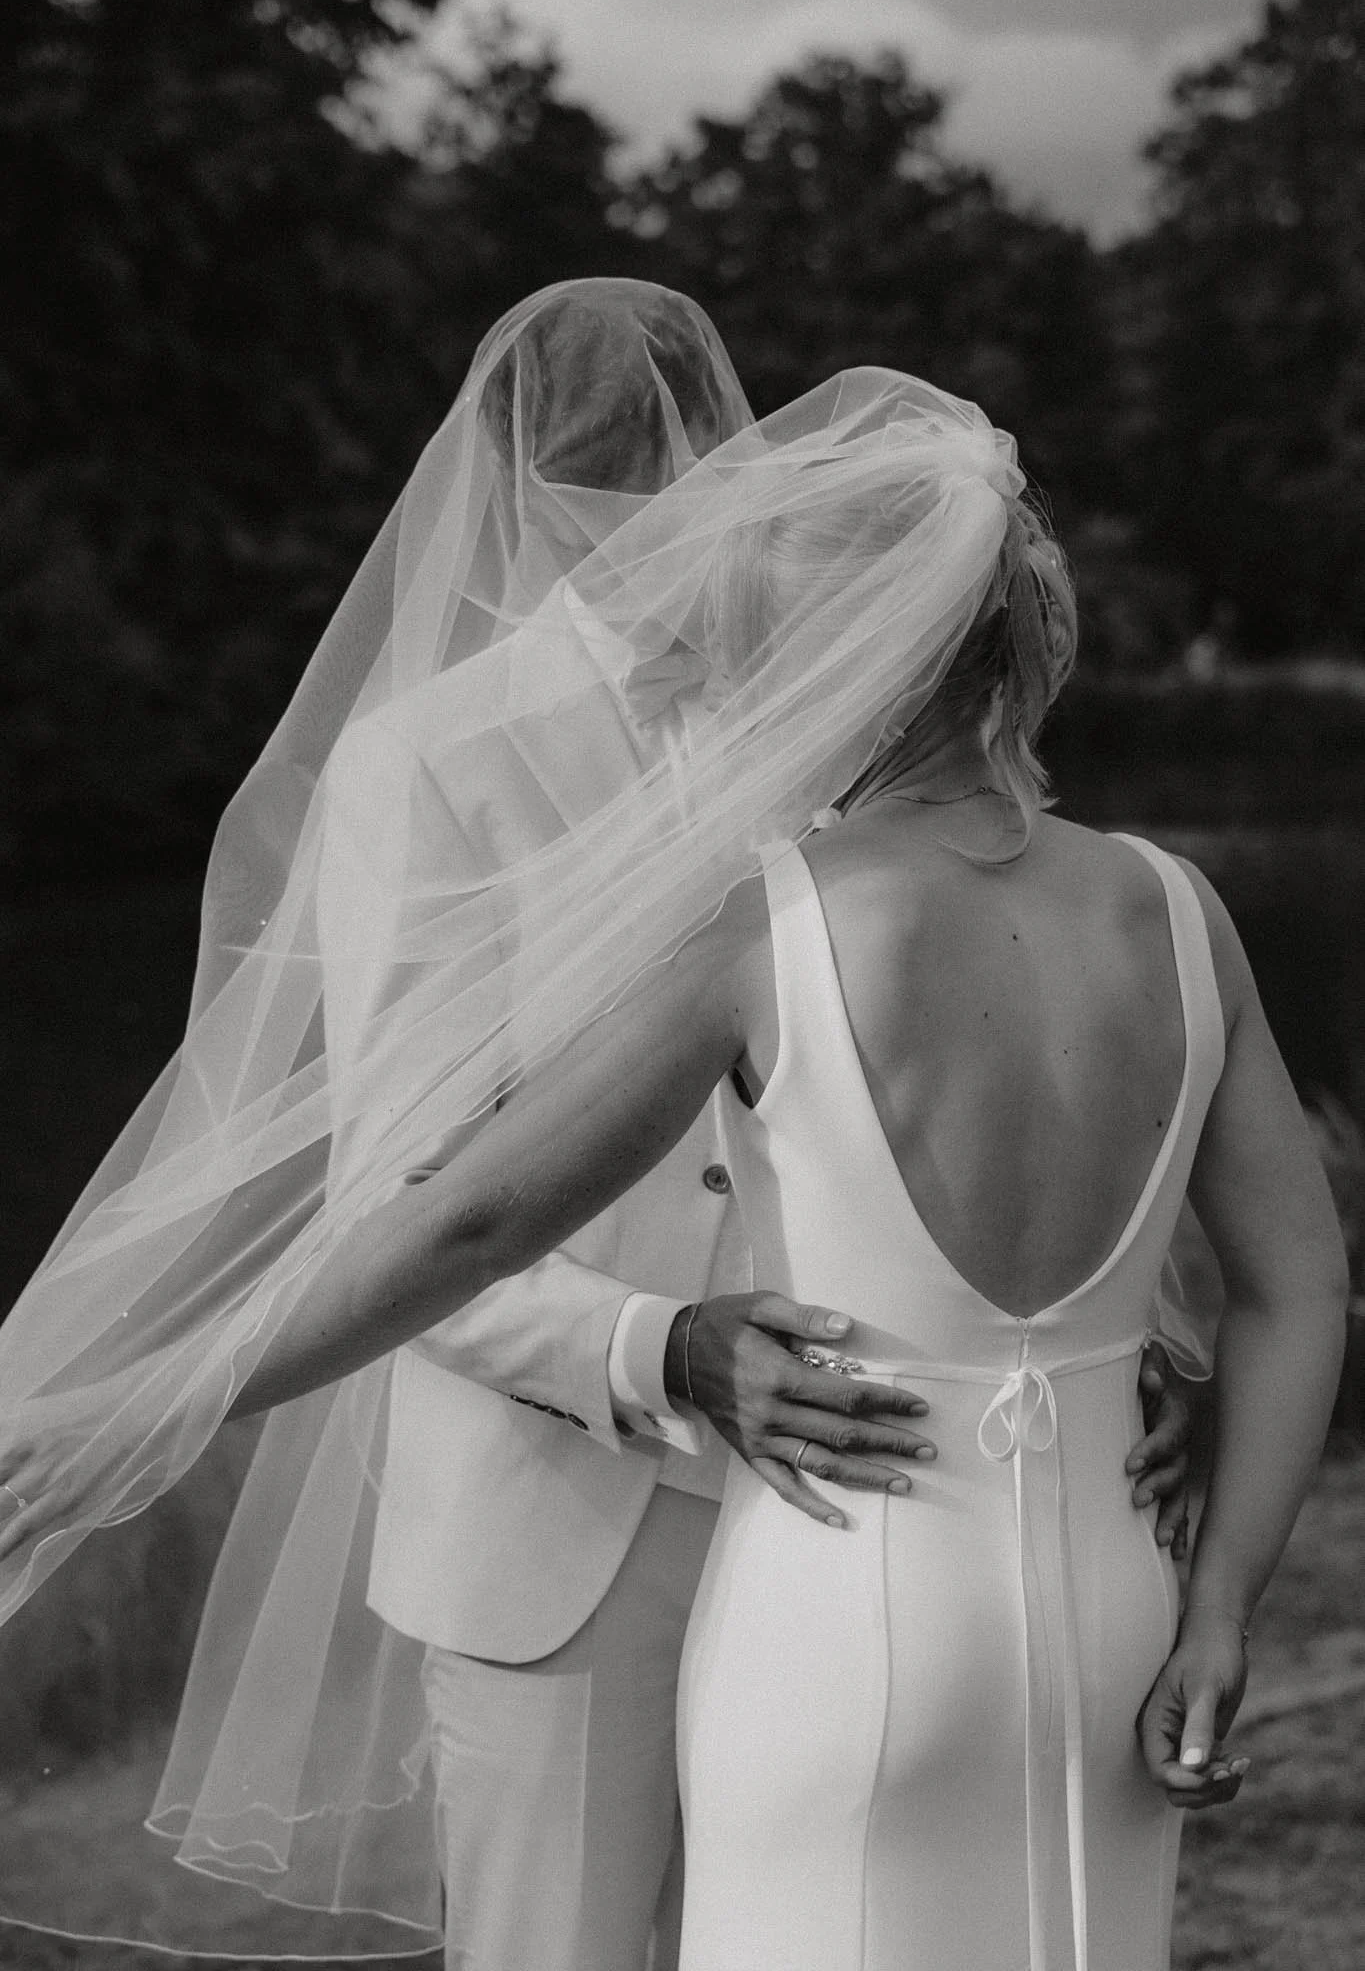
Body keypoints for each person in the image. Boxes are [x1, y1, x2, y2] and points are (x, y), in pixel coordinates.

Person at [1, 315, 1197, 1969]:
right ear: (504, 486)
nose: (655, 505)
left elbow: (984, 1037)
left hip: (860, 1499)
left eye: (687, 461)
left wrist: (1131, 1334)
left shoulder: (840, 707)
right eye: (611, 471)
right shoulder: (425, 762)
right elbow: (408, 1187)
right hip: (555, 1513)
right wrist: (653, 1348)